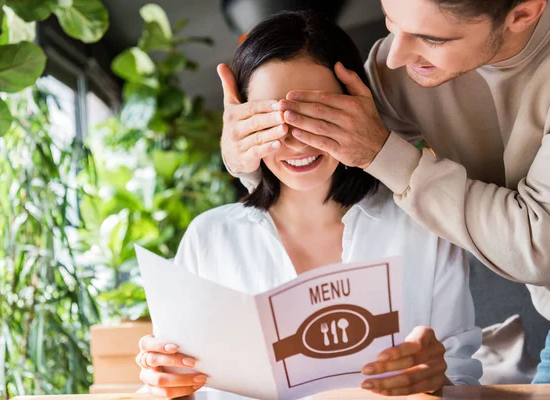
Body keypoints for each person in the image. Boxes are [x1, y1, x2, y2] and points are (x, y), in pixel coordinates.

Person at [135, 11, 482, 399]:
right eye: (269, 119)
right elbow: (178, 383)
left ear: (356, 107)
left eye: (319, 114)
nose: (296, 142)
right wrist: (164, 386)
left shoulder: (424, 230)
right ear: (241, 119)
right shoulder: (210, 238)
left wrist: (437, 380)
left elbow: (463, 381)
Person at [218, 0, 550, 383]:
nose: (393, 57)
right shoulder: (401, 66)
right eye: (392, 22)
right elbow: (330, 156)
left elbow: (539, 250)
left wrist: (381, 152)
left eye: (430, 38)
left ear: (524, 13)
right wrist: (244, 156)